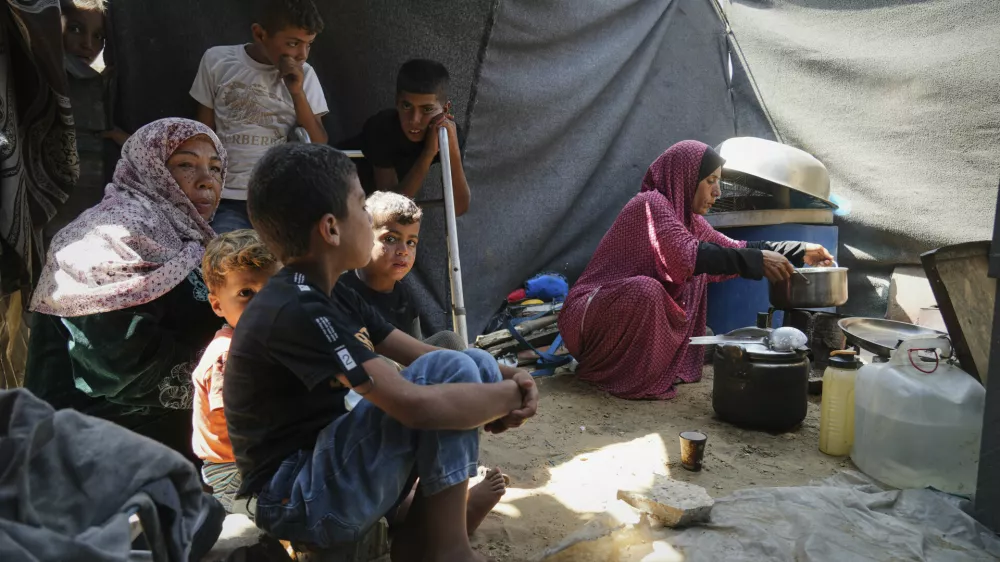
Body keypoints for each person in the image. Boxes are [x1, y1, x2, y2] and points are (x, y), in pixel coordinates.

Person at [225, 143, 536, 560]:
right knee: (452, 368)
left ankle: (422, 542)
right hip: (296, 496)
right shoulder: (297, 307)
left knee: (472, 361)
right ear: (331, 229)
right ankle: (446, 550)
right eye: (360, 205)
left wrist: (509, 375)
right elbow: (413, 406)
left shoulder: (330, 292)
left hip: (326, 474)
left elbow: (421, 355)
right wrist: (509, 397)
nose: (367, 218)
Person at [559, 140, 834, 400]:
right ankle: (618, 376)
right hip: (586, 318)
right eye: (710, 181)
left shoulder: (689, 221)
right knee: (652, 287)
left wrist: (798, 250)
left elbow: (735, 247)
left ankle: (649, 371)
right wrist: (758, 260)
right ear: (685, 177)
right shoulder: (650, 204)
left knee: (694, 273)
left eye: (719, 182)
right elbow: (687, 255)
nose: (717, 192)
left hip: (620, 316)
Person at [25, 118, 227, 462]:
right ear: (148, 169)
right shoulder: (105, 239)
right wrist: (232, 379)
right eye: (186, 165)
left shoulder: (190, 240)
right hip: (97, 455)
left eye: (216, 168)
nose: (207, 180)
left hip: (168, 447)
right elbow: (123, 367)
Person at [190, 0, 329, 233]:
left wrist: (297, 92)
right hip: (228, 197)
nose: (302, 55)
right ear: (260, 34)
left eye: (309, 45)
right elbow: (203, 134)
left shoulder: (306, 74)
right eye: (293, 43)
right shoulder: (218, 60)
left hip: (280, 197)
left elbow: (318, 143)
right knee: (231, 251)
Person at [192, 229, 280, 511]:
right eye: (246, 293)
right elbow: (243, 424)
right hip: (235, 470)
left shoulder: (262, 342)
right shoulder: (228, 356)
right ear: (217, 305)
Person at [46, 0, 131, 244]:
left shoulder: (101, 81)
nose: (88, 44)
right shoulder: (49, 75)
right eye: (75, 29)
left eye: (98, 36)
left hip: (86, 211)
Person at [339, 190, 467, 351]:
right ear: (363, 237)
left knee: (449, 339)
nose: (403, 251)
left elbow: (416, 347)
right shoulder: (342, 290)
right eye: (391, 239)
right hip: (366, 363)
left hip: (407, 363)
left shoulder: (405, 297)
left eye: (411, 242)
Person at [358, 59, 470, 215]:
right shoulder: (382, 127)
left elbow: (459, 208)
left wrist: (452, 147)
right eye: (407, 106)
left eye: (427, 109)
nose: (414, 119)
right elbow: (391, 211)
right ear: (397, 103)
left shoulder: (448, 133)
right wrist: (428, 153)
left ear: (445, 110)